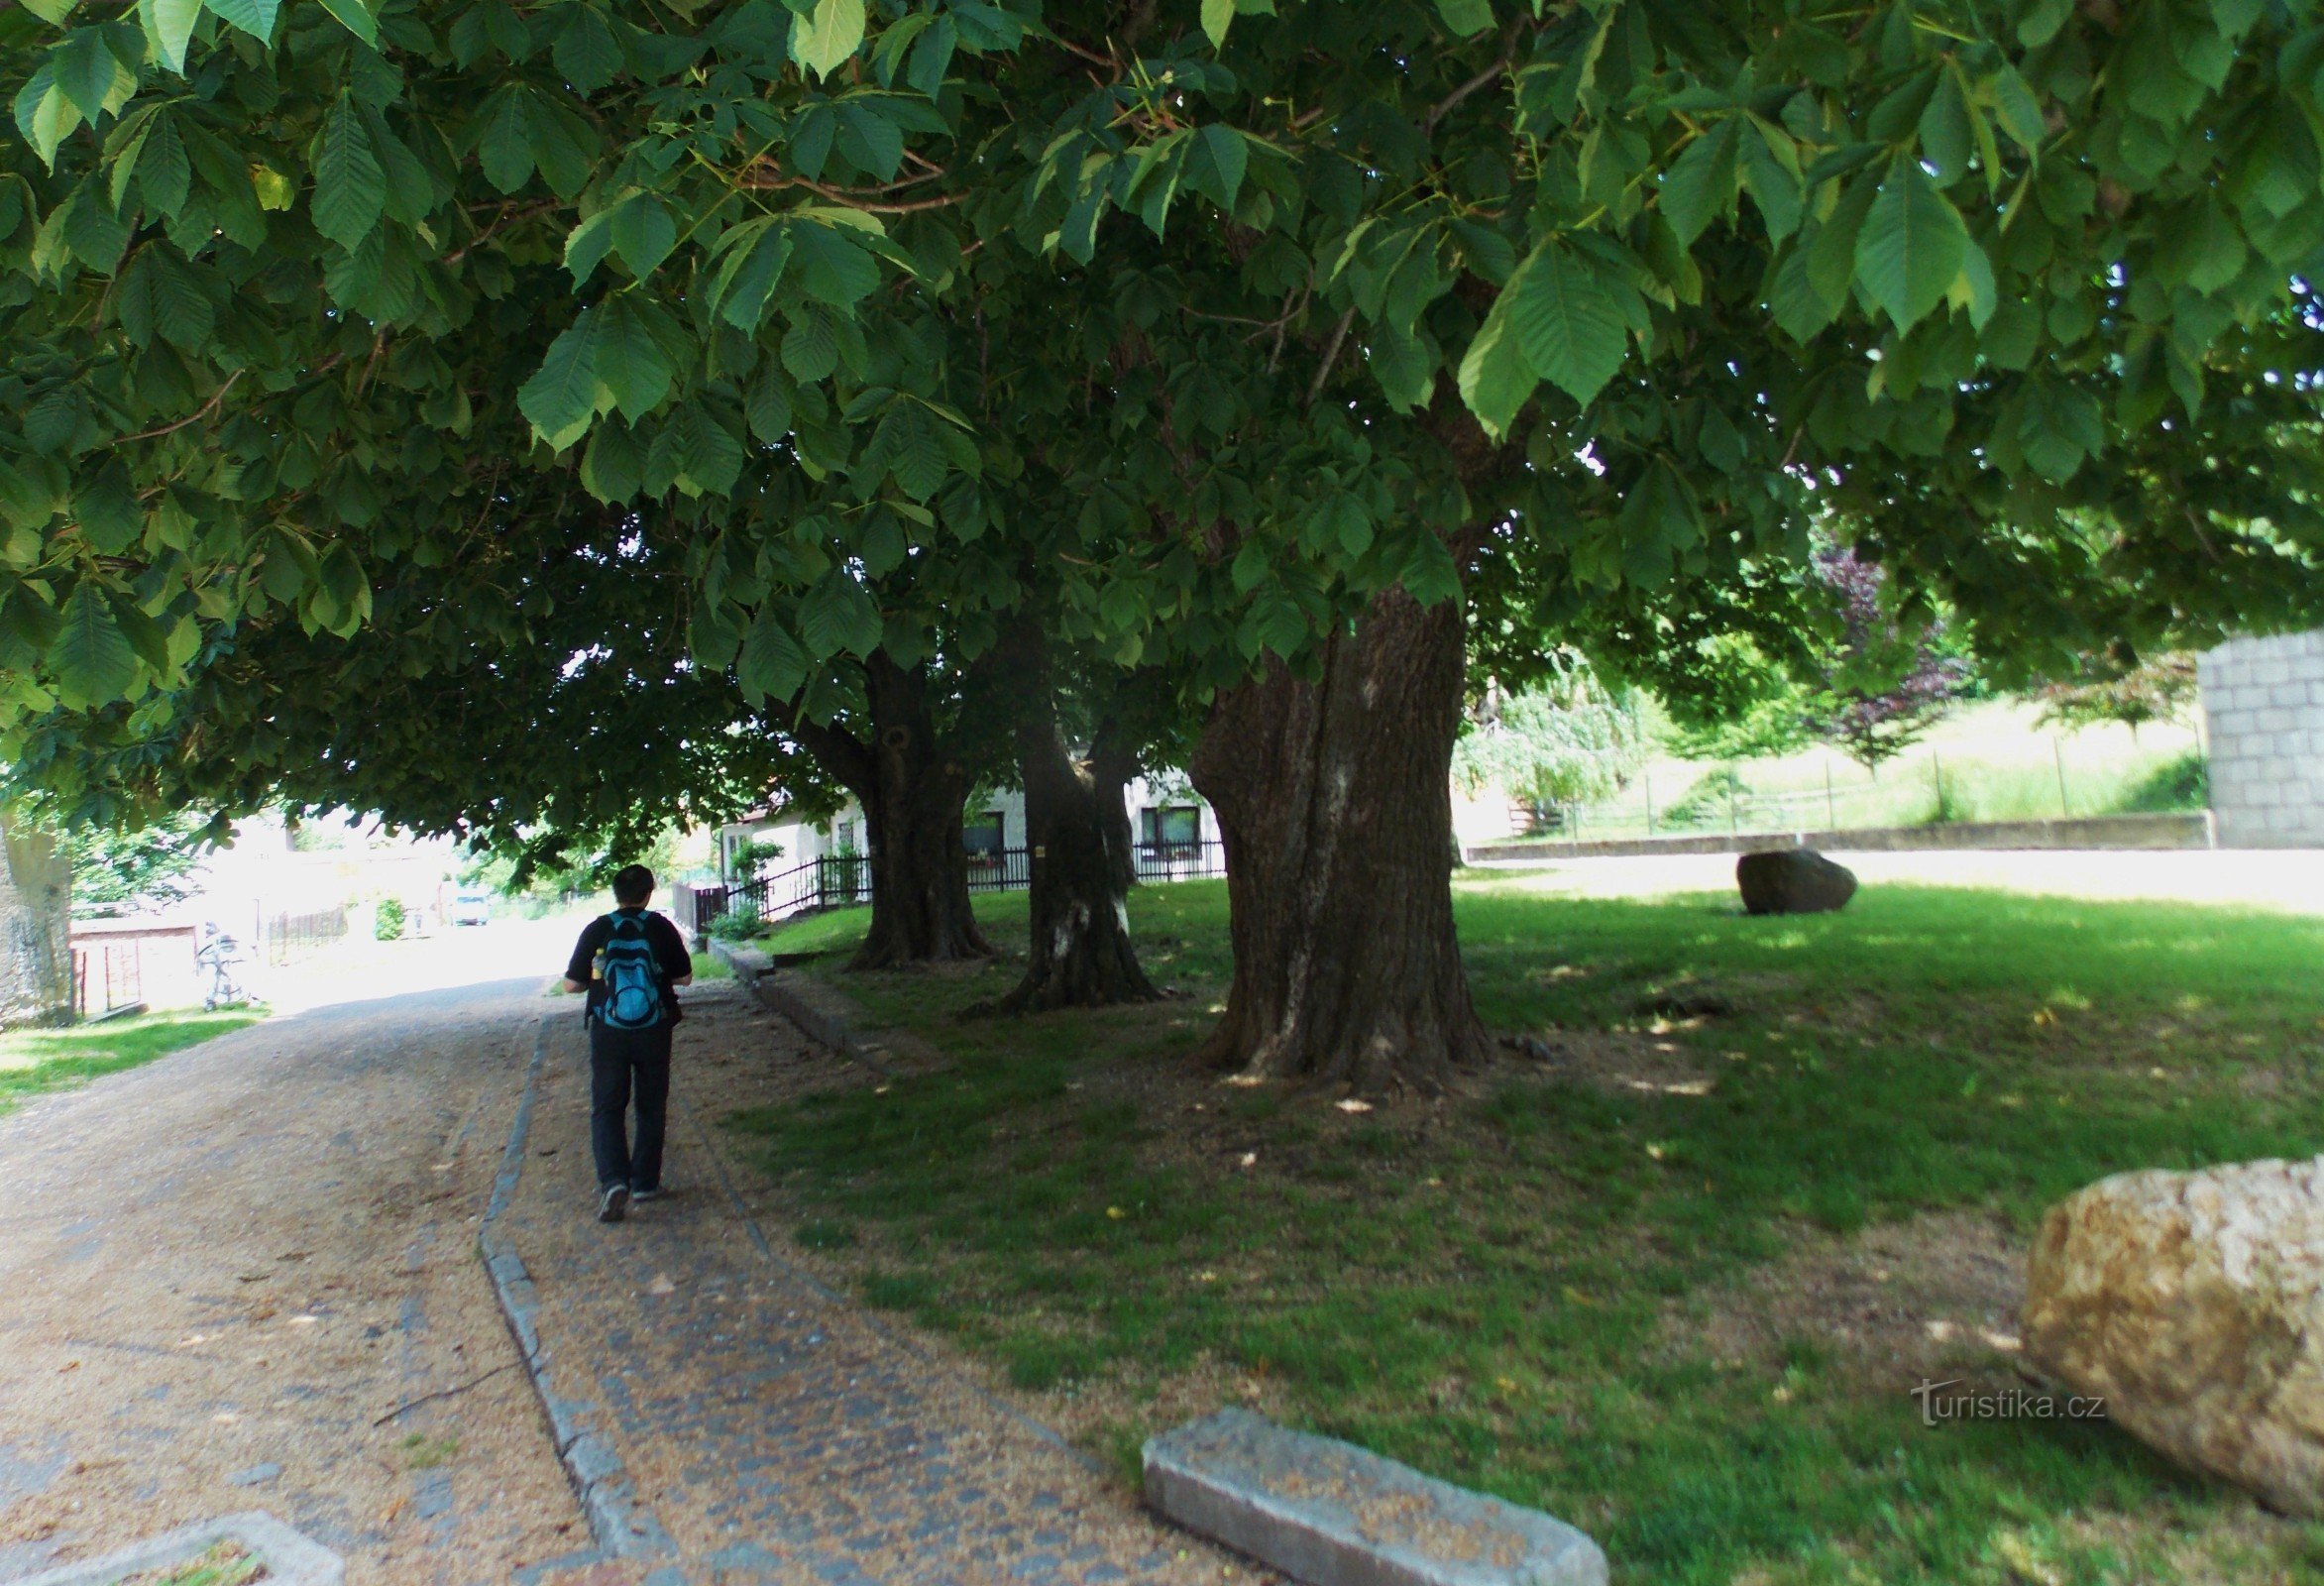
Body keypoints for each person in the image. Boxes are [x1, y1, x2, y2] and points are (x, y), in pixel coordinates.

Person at [561, 864, 693, 1223]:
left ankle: (614, 1181)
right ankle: (646, 1182)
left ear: (615, 893)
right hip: (654, 1029)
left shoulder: (598, 928)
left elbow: (571, 985)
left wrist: (599, 977)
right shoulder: (660, 926)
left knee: (607, 1107)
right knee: (651, 1104)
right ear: (649, 892)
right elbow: (685, 978)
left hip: (608, 1030)